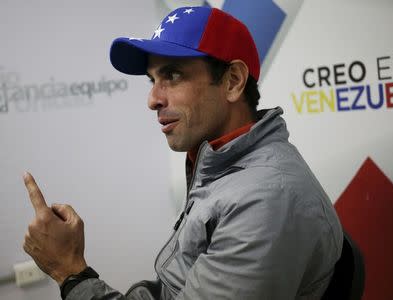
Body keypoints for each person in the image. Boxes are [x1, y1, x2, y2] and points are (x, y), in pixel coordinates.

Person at [22, 6, 343, 300]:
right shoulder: (222, 166)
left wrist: (71, 272)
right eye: (152, 80)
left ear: (232, 81)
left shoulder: (265, 201)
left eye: (172, 75)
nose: (152, 99)